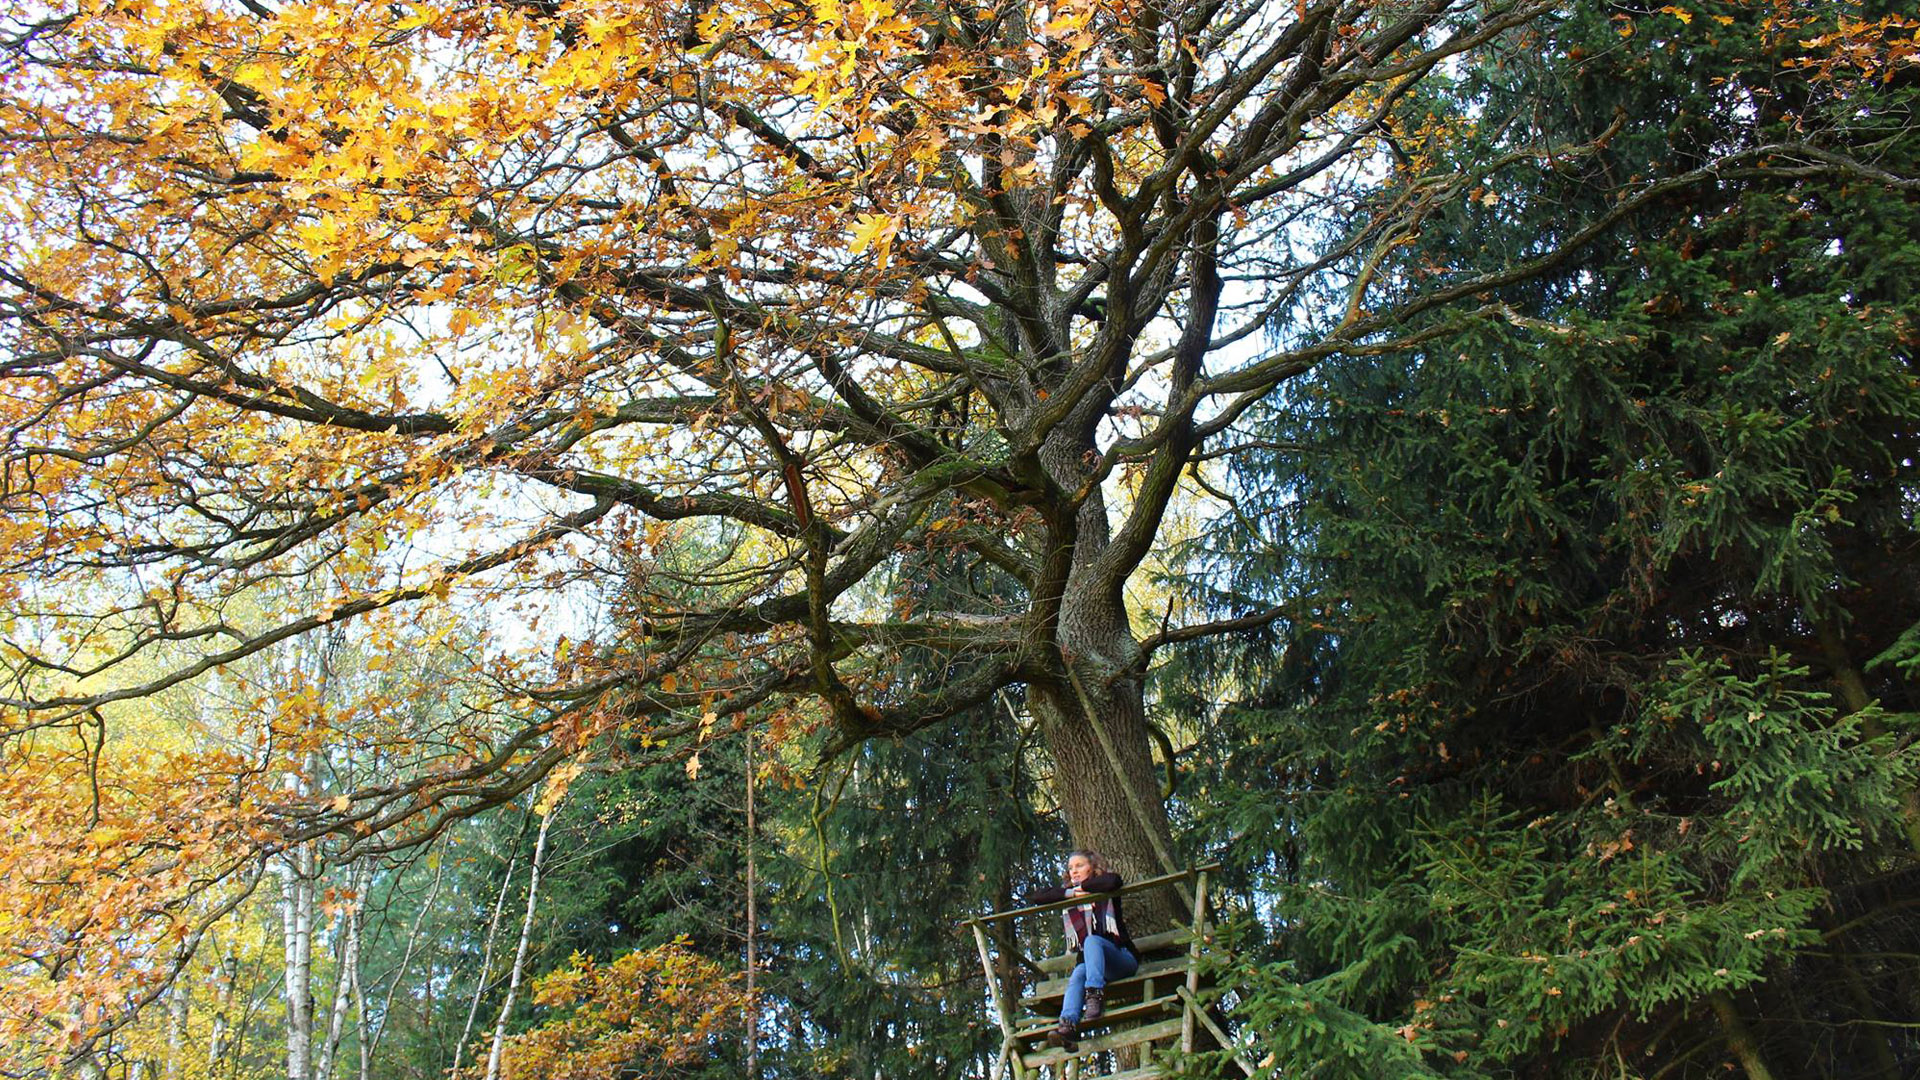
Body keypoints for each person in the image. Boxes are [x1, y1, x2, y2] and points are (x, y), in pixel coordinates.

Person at [1024, 849, 1139, 1051]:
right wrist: (1071, 892)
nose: (1073, 872)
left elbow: (1112, 881)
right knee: (1078, 972)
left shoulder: (1106, 887)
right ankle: (1067, 1027)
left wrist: (1082, 888)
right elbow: (1038, 897)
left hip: (1122, 960)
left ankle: (1094, 995)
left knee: (1092, 941)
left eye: (1079, 866)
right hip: (1095, 970)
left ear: (1092, 867)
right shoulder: (1070, 896)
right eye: (1070, 868)